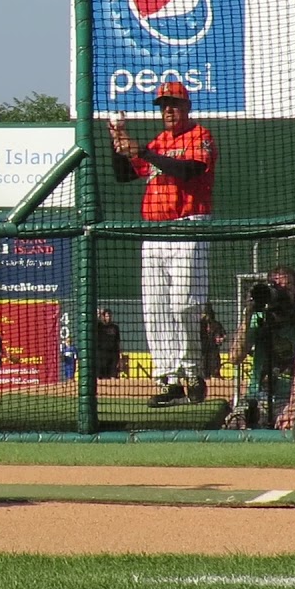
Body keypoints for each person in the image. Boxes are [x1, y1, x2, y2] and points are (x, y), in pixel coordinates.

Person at [108, 81, 217, 408]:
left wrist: (141, 150)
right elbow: (125, 175)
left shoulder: (200, 135)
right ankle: (169, 378)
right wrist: (117, 143)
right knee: (155, 307)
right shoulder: (159, 140)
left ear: (187, 107)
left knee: (184, 303)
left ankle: (192, 370)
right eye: (163, 105)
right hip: (154, 230)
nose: (168, 110)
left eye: (174, 104)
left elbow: (190, 169)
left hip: (188, 226)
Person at [226, 266, 295, 430]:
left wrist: (293, 406)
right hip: (256, 397)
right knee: (235, 424)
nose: (282, 293)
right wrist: (248, 314)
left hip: (294, 397)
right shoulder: (259, 317)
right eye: (277, 287)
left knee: (294, 426)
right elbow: (235, 358)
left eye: (288, 288)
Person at [199, 303, 227, 380]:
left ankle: (215, 374)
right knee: (203, 364)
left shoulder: (216, 324)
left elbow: (224, 335)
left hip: (213, 349)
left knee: (215, 362)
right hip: (203, 349)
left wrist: (221, 339)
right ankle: (205, 376)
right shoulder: (199, 325)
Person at [96, 309, 122, 379]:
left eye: (109, 316)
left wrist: (120, 355)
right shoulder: (99, 326)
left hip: (113, 354)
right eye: (107, 316)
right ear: (103, 317)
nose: (108, 318)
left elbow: (118, 342)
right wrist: (98, 314)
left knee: (113, 375)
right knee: (99, 376)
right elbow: (93, 322)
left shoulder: (115, 327)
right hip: (101, 354)